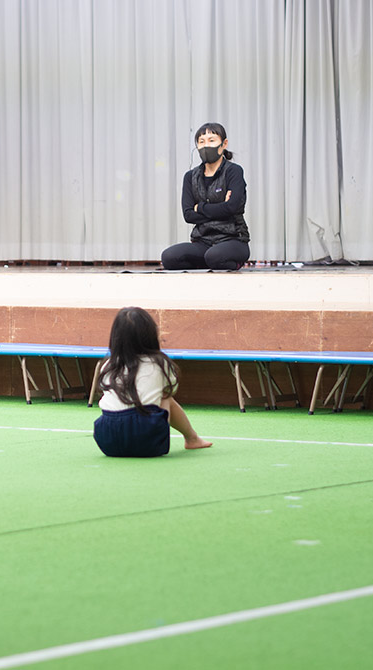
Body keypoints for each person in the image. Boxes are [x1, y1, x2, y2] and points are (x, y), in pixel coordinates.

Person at [93, 307, 213, 457]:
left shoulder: (109, 364)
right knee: (165, 398)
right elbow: (170, 391)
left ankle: (192, 438)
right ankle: (192, 438)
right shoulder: (159, 363)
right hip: (145, 439)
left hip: (107, 439)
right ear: (150, 335)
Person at [161, 122, 250, 271]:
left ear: (224, 144)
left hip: (233, 239)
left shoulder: (234, 171)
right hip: (203, 241)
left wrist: (200, 207)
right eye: (201, 142)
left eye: (212, 140)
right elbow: (188, 215)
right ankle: (209, 263)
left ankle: (229, 263)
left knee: (214, 256)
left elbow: (232, 207)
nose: (206, 146)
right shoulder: (190, 177)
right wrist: (222, 208)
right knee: (169, 257)